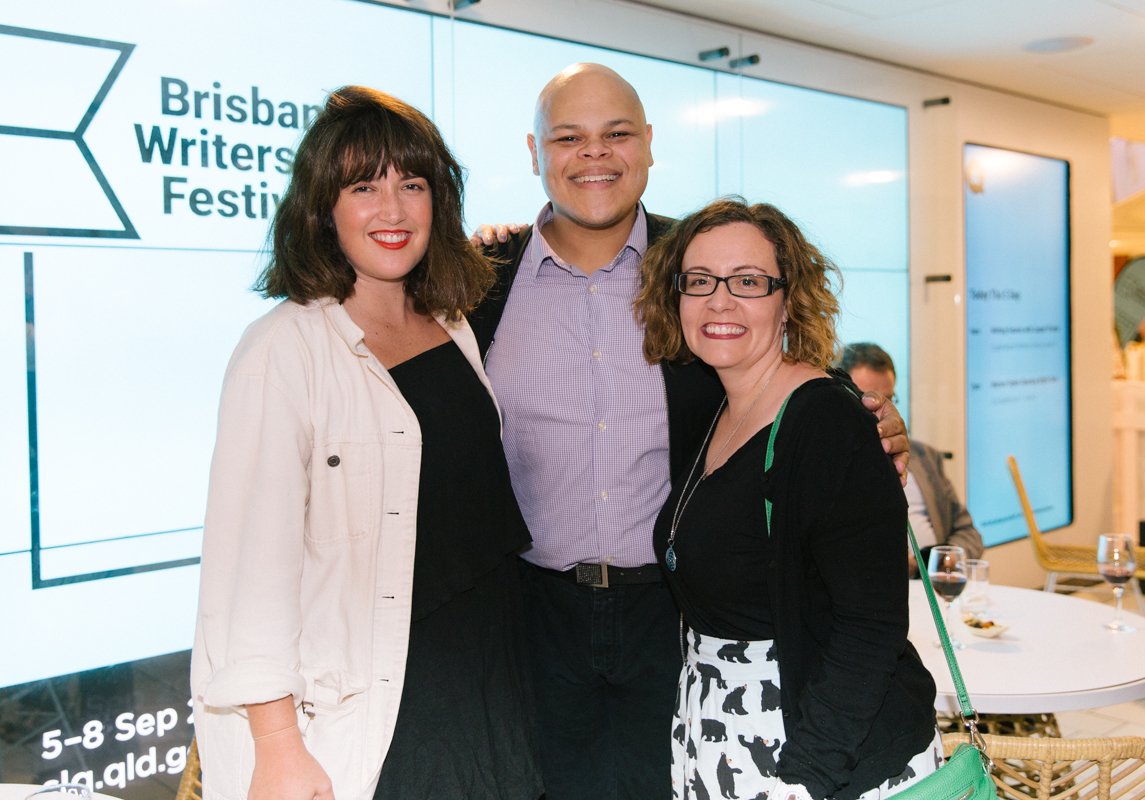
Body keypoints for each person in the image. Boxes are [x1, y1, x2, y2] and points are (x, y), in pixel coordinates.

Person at [469, 63, 912, 800]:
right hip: (534, 615)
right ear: (534, 150)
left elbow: (784, 377)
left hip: (679, 613)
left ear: (647, 145)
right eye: (569, 137)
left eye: (616, 134)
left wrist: (870, 420)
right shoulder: (482, 276)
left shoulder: (697, 266)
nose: (595, 155)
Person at [190, 86, 541, 800]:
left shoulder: (453, 323)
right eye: (363, 186)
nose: (393, 210)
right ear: (324, 207)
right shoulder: (283, 349)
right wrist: (279, 747)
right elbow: (248, 575)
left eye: (412, 184)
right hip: (378, 708)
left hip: (489, 680)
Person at [634, 197, 938, 800]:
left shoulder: (825, 418)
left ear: (788, 297)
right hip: (725, 738)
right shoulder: (718, 406)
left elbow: (869, 625)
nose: (720, 301)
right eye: (699, 282)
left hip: (816, 756)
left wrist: (807, 778)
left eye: (748, 281)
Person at [839, 342, 984, 576]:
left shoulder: (925, 457)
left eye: (888, 400)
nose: (880, 414)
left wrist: (935, 563)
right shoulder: (833, 471)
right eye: (867, 401)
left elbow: (968, 532)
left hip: (935, 585)